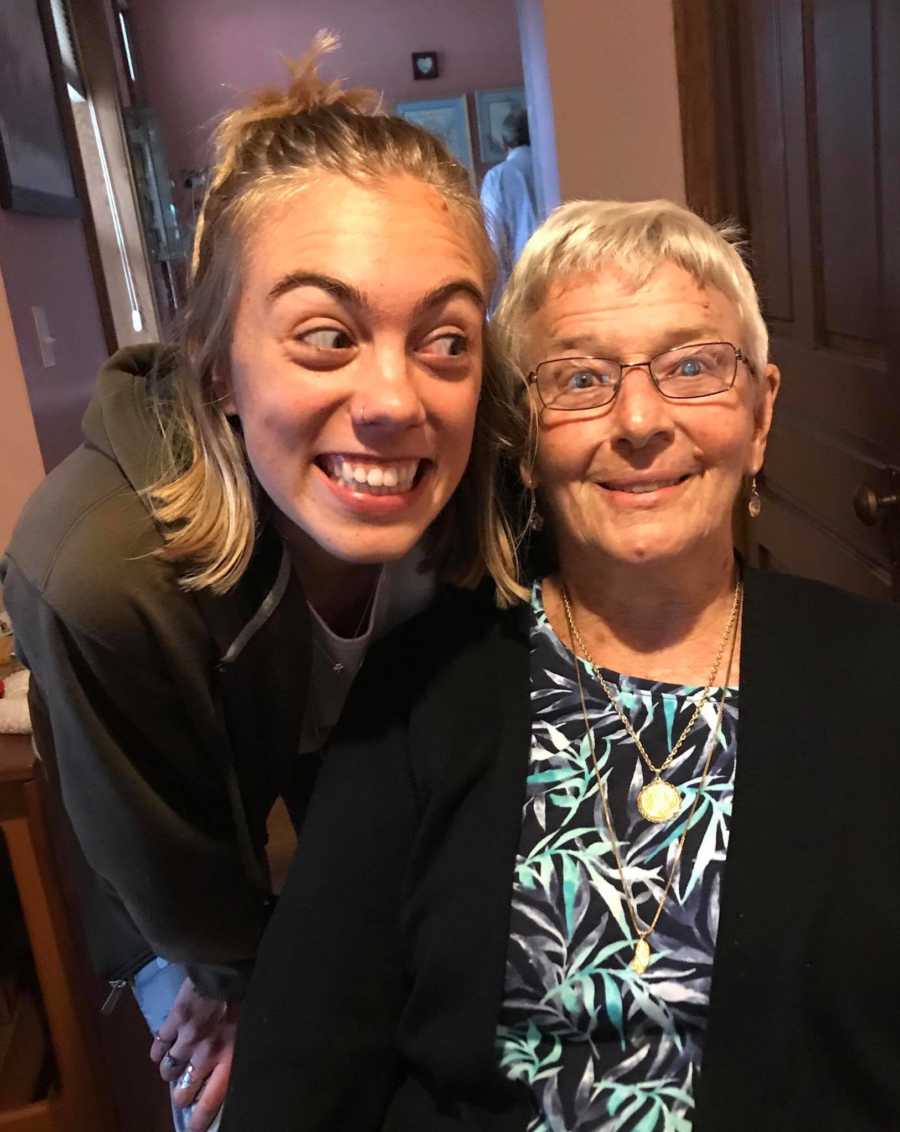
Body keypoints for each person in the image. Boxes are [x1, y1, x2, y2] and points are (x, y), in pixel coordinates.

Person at [222, 199, 900, 1131]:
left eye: (694, 366)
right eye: (579, 380)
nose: (639, 420)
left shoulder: (876, 679)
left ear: (761, 409)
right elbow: (302, 1065)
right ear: (524, 439)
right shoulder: (426, 689)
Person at [0, 34, 522, 1132]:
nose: (395, 400)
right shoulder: (100, 575)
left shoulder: (494, 496)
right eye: (326, 336)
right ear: (218, 367)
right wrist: (248, 992)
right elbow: (176, 887)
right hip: (178, 862)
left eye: (445, 341)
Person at [480, 106, 538, 302]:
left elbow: (493, 241)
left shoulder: (498, 177)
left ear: (505, 143)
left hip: (521, 286)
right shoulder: (553, 163)